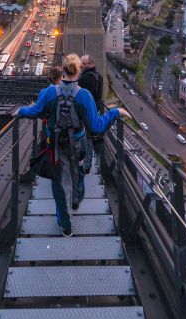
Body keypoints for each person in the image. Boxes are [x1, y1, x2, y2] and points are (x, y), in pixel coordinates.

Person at [15, 54, 126, 237]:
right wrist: (115, 112)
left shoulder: (50, 92)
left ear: (63, 70)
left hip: (56, 147)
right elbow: (96, 126)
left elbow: (35, 111)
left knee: (58, 183)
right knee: (78, 171)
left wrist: (20, 111)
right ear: (78, 71)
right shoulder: (84, 95)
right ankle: (77, 194)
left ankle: (65, 224)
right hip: (78, 146)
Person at [19, 66, 64, 184]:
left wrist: (21, 111)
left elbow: (36, 110)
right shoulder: (69, 90)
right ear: (59, 78)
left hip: (50, 129)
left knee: (43, 150)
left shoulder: (46, 91)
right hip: (67, 130)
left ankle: (33, 175)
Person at [78, 54, 104, 173]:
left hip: (84, 113)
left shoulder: (84, 79)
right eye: (81, 63)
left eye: (84, 64)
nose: (82, 66)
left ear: (91, 64)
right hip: (95, 110)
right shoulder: (99, 77)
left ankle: (84, 164)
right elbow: (98, 96)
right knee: (89, 137)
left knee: (83, 138)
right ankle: (87, 165)